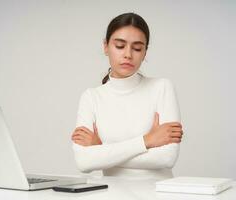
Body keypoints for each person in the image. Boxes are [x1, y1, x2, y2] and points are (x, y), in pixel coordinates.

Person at [71, 12, 183, 179]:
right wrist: (147, 141)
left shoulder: (162, 88)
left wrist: (102, 150)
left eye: (137, 48)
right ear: (105, 46)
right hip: (110, 194)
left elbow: (167, 158)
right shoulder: (91, 97)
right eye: (120, 46)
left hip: (157, 194)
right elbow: (84, 162)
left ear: (145, 52)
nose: (128, 54)